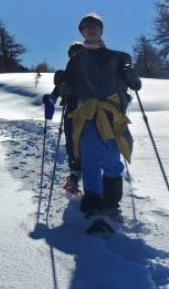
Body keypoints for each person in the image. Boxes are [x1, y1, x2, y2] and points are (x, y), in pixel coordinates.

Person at [57, 13, 141, 217]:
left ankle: (111, 203)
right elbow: (69, 89)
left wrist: (132, 76)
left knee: (112, 159)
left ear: (101, 30)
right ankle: (93, 202)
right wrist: (61, 85)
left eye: (95, 26)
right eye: (87, 26)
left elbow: (135, 85)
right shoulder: (75, 61)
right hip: (86, 116)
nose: (91, 29)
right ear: (82, 32)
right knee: (90, 160)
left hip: (110, 115)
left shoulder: (117, 57)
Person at [43, 42, 85, 194]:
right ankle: (74, 176)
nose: (76, 57)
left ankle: (98, 176)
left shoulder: (93, 72)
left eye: (79, 53)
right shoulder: (65, 76)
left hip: (92, 114)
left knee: (90, 144)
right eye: (74, 54)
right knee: (72, 145)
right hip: (71, 115)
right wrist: (50, 101)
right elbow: (55, 94)